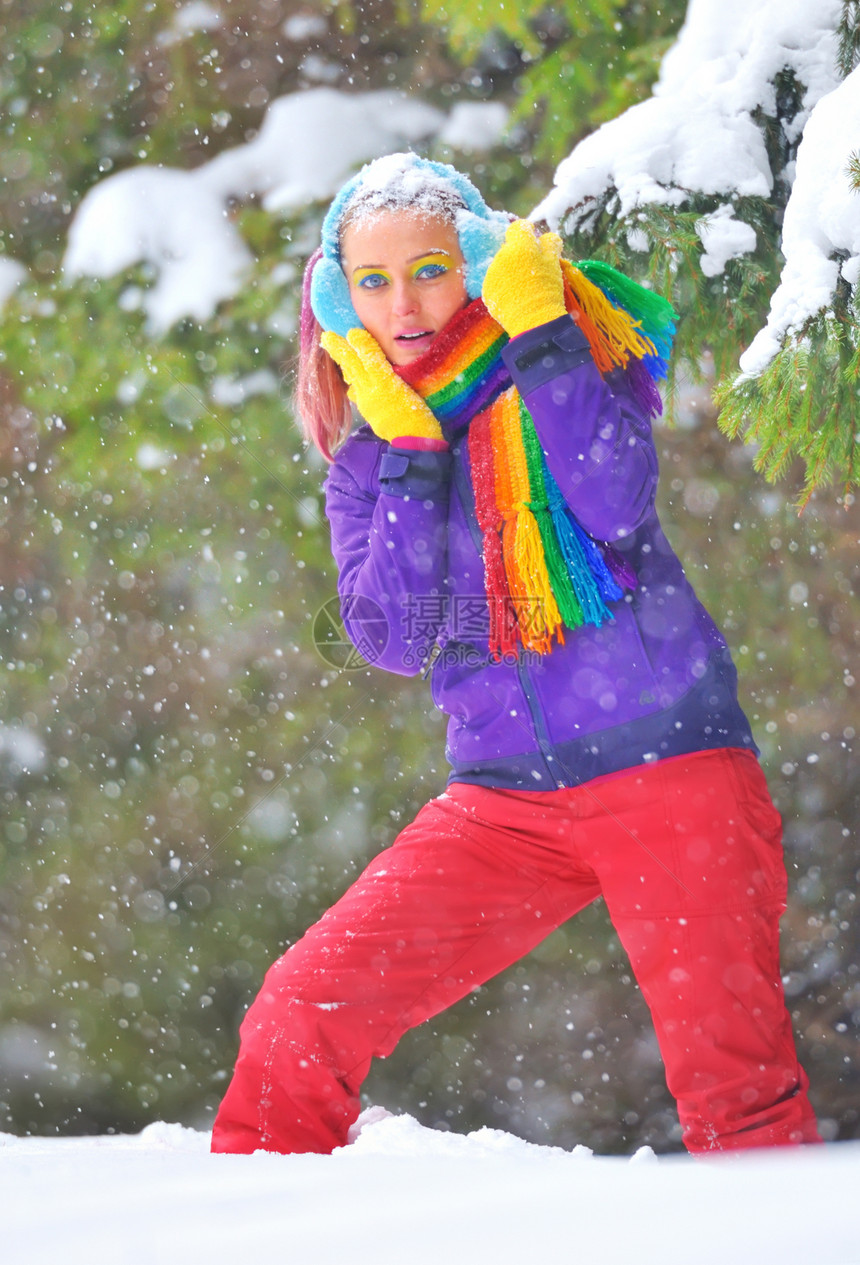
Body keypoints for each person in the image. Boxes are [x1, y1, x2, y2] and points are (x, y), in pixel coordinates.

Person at [210, 153, 820, 1156]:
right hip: (503, 802)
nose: (401, 302)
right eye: (372, 280)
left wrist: (538, 335)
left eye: (429, 269)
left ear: (478, 266)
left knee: (736, 1092)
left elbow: (612, 501)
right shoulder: (371, 458)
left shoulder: (560, 365)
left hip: (669, 770)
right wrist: (410, 455)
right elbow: (393, 638)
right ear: (339, 299)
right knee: (298, 1013)